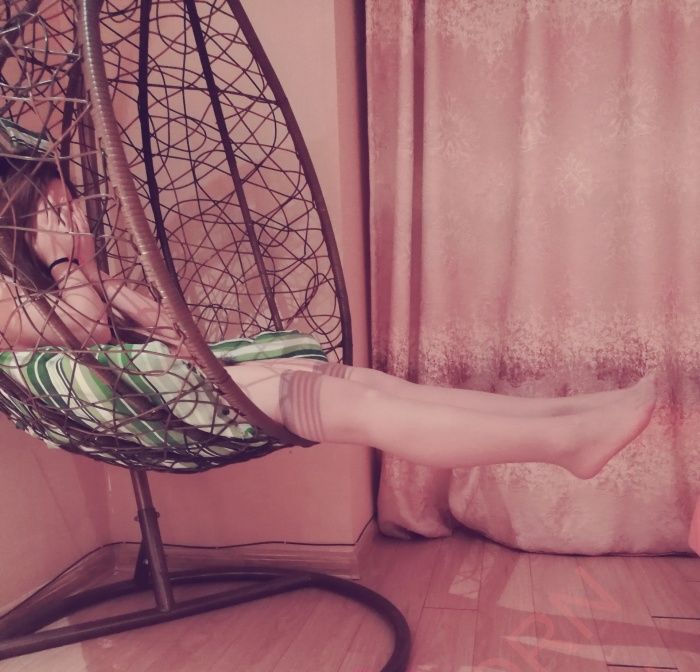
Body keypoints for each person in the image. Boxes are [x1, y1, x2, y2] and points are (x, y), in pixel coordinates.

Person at [0, 149, 657, 479]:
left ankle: (569, 418)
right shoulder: (10, 298)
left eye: (72, 205)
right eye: (57, 211)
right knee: (356, 404)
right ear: (16, 228)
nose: (76, 218)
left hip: (180, 389)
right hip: (153, 415)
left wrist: (97, 275)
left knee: (370, 384)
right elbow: (84, 331)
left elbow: (175, 336)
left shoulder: (85, 281)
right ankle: (564, 443)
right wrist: (65, 264)